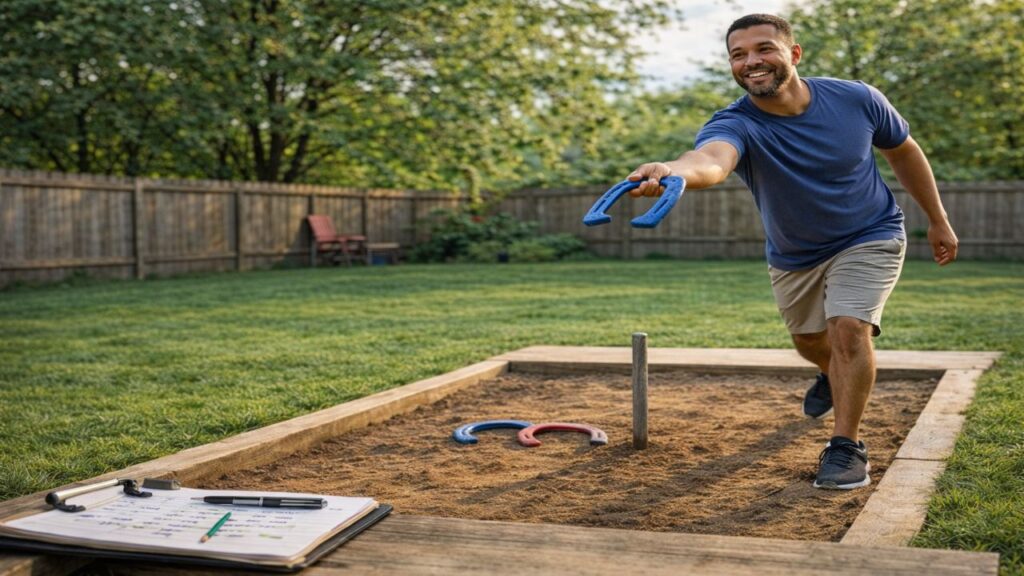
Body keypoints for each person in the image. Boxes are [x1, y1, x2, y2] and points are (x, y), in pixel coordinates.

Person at [627, 14, 958, 489]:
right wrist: (674, 171)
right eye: (738, 55)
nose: (751, 62)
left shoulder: (857, 99)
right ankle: (830, 373)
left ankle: (846, 448)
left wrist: (938, 219)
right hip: (795, 253)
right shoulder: (736, 122)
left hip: (871, 232)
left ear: (793, 54)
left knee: (848, 329)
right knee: (810, 342)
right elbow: (711, 161)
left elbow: (904, 150)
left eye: (763, 49)